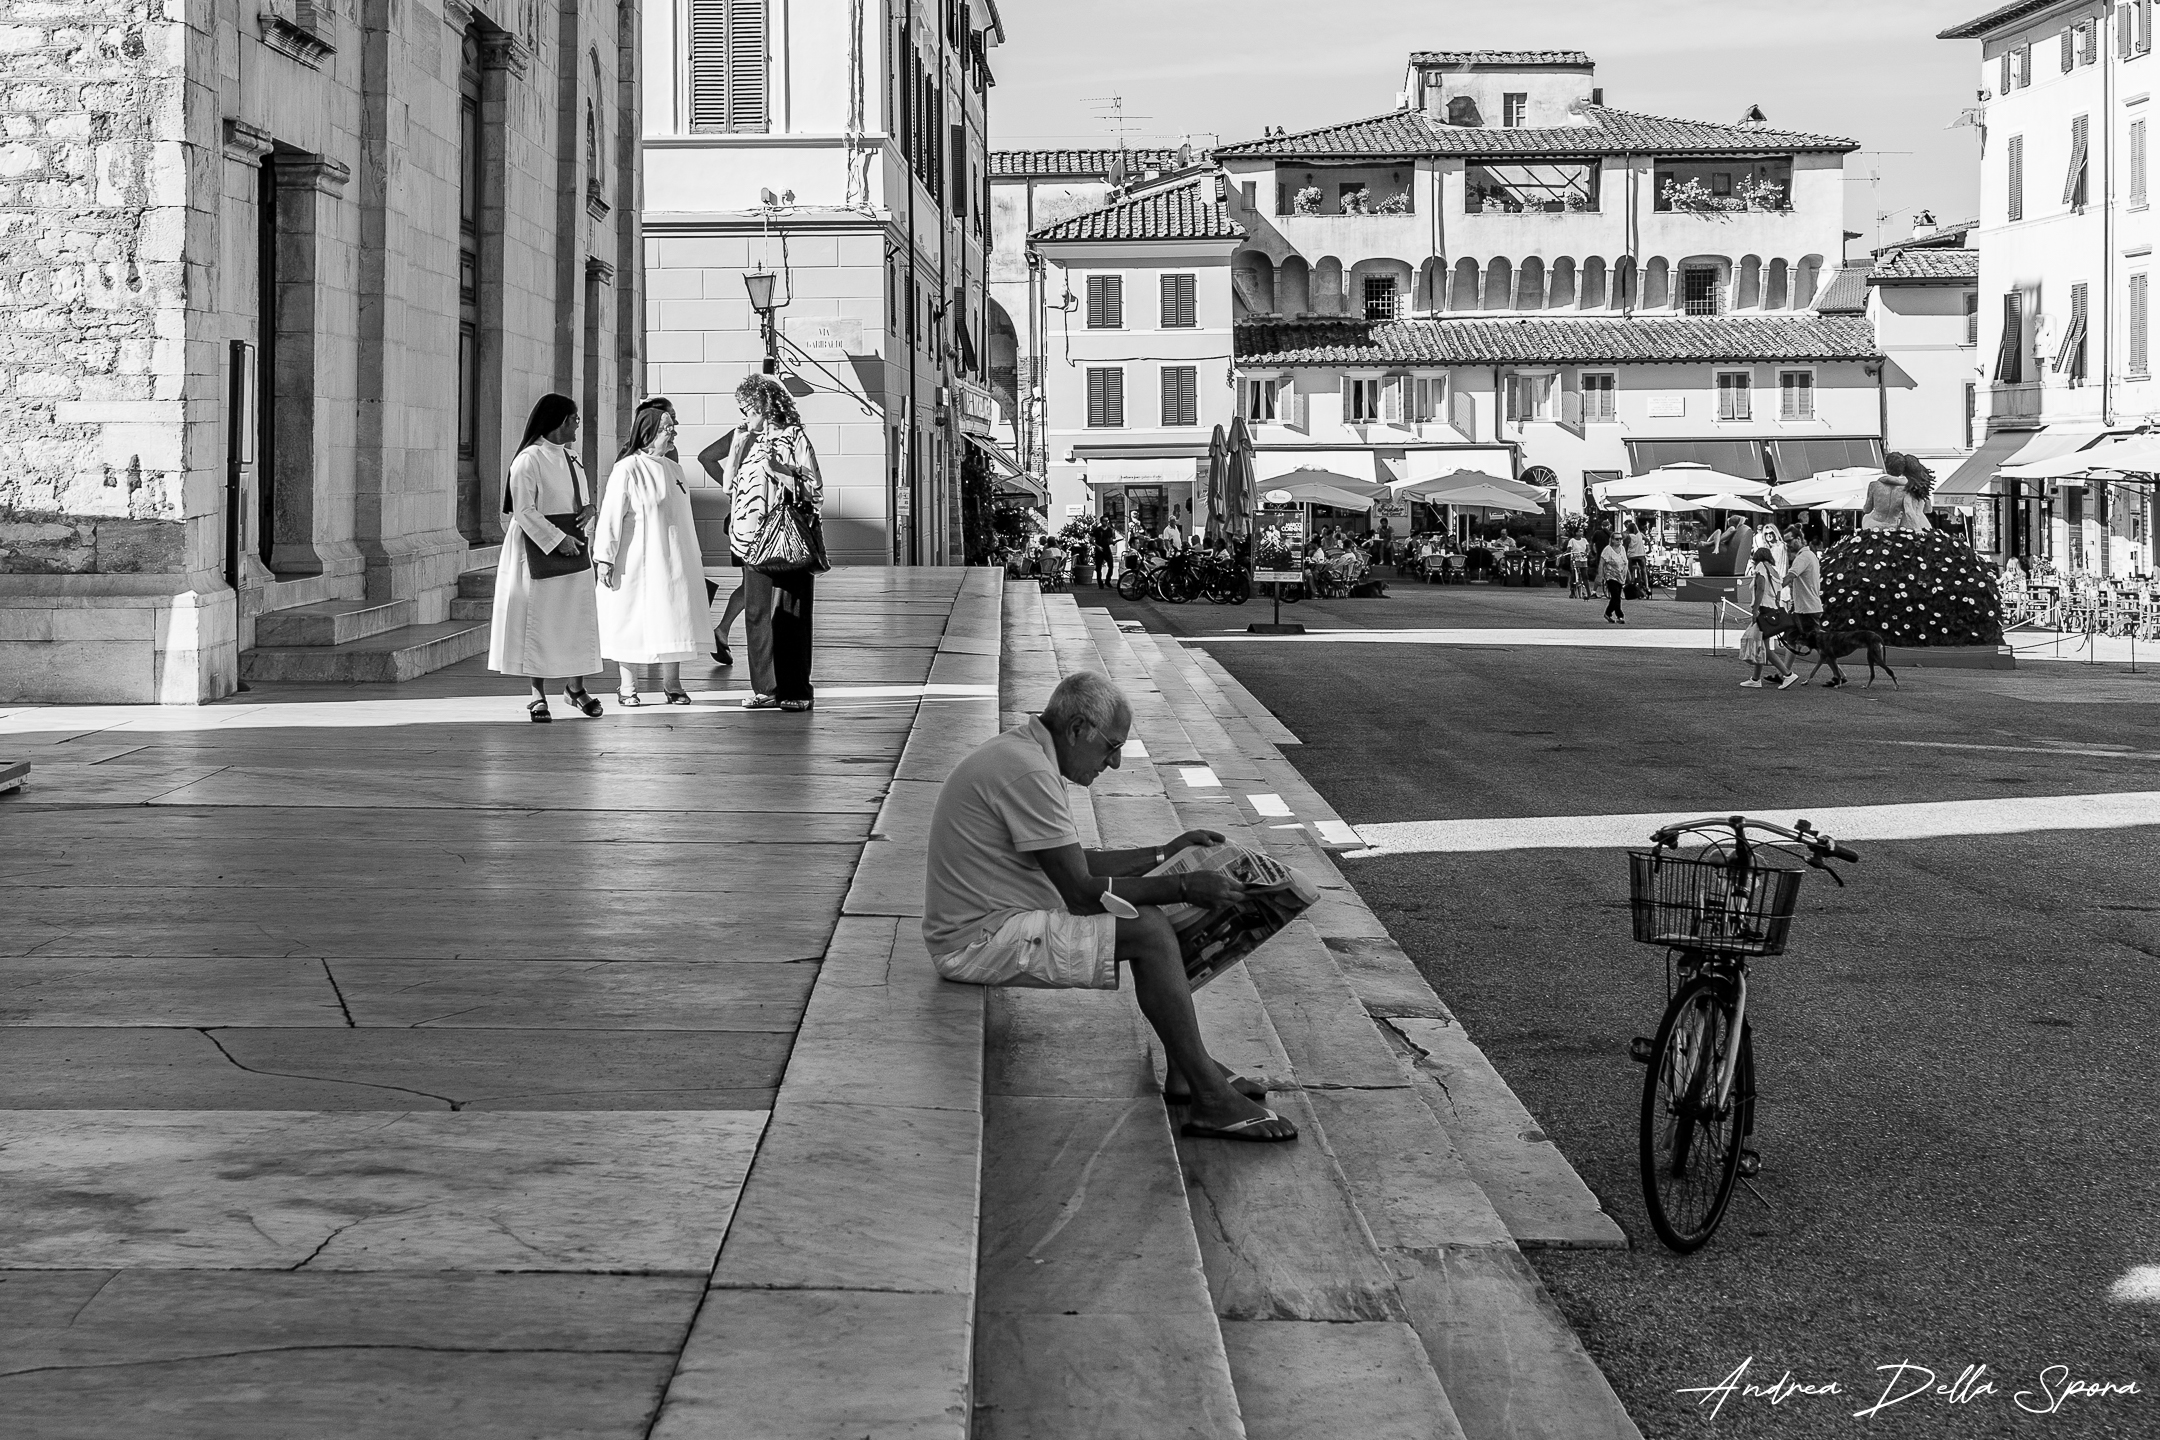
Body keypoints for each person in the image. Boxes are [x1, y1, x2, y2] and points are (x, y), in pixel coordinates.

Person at [923, 672, 1295, 1142]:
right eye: (1111, 746)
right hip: (976, 940)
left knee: (1158, 915)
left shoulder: (1025, 753)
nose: (1115, 763)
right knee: (1150, 928)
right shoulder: (1029, 771)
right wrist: (1182, 885)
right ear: (1078, 729)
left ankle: (1186, 1067)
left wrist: (1166, 855)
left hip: (991, 922)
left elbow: (1074, 862)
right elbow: (1080, 890)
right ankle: (1209, 1095)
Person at [488, 393, 604, 721]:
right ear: (560, 421)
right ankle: (537, 694)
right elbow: (523, 510)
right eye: (575, 418)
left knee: (577, 619)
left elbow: (581, 499)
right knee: (537, 619)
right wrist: (556, 540)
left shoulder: (573, 457)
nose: (579, 423)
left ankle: (576, 688)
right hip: (539, 546)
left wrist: (590, 509)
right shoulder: (529, 459)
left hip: (575, 545)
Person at [1821, 453, 2005, 647]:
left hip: (1873, 526)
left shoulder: (1875, 486)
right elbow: (1921, 511)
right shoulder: (1908, 489)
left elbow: (1867, 509)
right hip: (1901, 526)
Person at [724, 373, 824, 712]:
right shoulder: (746, 440)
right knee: (755, 614)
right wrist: (736, 451)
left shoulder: (794, 437)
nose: (744, 416)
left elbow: (815, 491)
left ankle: (796, 689)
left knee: (789, 615)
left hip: (786, 538)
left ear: (766, 406)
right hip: (751, 540)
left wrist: (778, 469)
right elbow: (728, 487)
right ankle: (765, 687)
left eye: (748, 409)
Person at [594, 404, 706, 706]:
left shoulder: (674, 469)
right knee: (632, 621)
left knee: (674, 618)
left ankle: (673, 684)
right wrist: (604, 557)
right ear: (650, 432)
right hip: (637, 563)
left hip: (673, 561)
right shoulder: (627, 468)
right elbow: (611, 516)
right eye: (668, 428)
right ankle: (628, 687)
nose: (674, 433)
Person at [1781, 528, 1842, 686]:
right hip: (1802, 608)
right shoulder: (1808, 555)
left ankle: (1839, 675)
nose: (1787, 544)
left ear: (1800, 538)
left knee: (1819, 645)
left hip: (1807, 610)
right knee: (1791, 639)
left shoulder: (1804, 557)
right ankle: (1784, 673)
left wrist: (1773, 588)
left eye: (1789, 540)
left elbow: (1791, 576)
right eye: (1785, 541)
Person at [1739, 546, 1801, 689]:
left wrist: (1755, 610)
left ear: (1757, 557)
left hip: (1763, 610)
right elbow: (1778, 595)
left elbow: (1760, 588)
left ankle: (1787, 674)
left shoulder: (1761, 567)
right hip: (1772, 611)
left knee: (1761, 646)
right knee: (1763, 645)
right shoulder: (1776, 572)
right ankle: (1755, 679)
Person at [1596, 528, 1628, 623]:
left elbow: (1625, 562)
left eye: (1620, 539)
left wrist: (1628, 574)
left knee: (1616, 596)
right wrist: (1600, 575)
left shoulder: (1622, 549)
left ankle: (1608, 613)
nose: (1619, 541)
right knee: (1616, 596)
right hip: (1611, 575)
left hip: (1621, 576)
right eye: (1617, 539)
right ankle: (1620, 615)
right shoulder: (1608, 549)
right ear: (1612, 540)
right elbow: (1601, 563)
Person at [1622, 520, 1648, 593]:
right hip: (1641, 555)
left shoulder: (1628, 536)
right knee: (1643, 570)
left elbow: (1625, 547)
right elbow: (1647, 540)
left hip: (1631, 556)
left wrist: (1624, 555)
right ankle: (1646, 586)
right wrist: (1648, 550)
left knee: (1629, 570)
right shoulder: (1640, 534)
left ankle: (1631, 583)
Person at [1566, 531, 1593, 599]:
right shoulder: (1572, 541)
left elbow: (1588, 548)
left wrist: (1586, 553)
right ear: (1576, 533)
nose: (1581, 533)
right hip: (1575, 559)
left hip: (1583, 559)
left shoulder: (1584, 540)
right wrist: (1568, 553)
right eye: (1579, 531)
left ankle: (1589, 593)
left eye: (1582, 531)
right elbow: (1569, 549)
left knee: (1585, 576)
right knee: (1573, 575)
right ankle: (1572, 592)